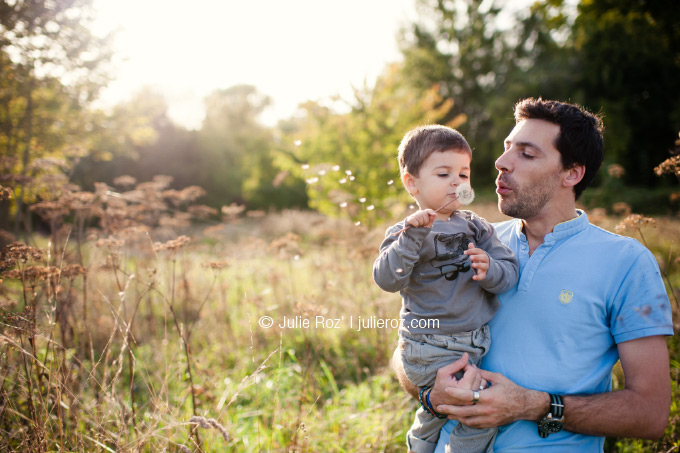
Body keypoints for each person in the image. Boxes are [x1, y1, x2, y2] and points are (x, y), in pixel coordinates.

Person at [393, 98, 673, 452]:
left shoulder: (628, 263)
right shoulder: (465, 239)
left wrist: (533, 405)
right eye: (507, 148)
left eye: (526, 154)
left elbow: (650, 413)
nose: (500, 162)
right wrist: (430, 393)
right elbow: (406, 347)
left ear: (571, 173)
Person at [373, 125, 519, 452]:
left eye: (463, 174)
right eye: (443, 174)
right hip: (428, 344)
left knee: (439, 410)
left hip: (472, 342)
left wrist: (490, 269)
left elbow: (509, 274)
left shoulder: (477, 226)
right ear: (412, 183)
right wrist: (411, 237)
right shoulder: (405, 231)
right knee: (478, 412)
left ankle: (420, 444)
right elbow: (386, 278)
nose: (456, 182)